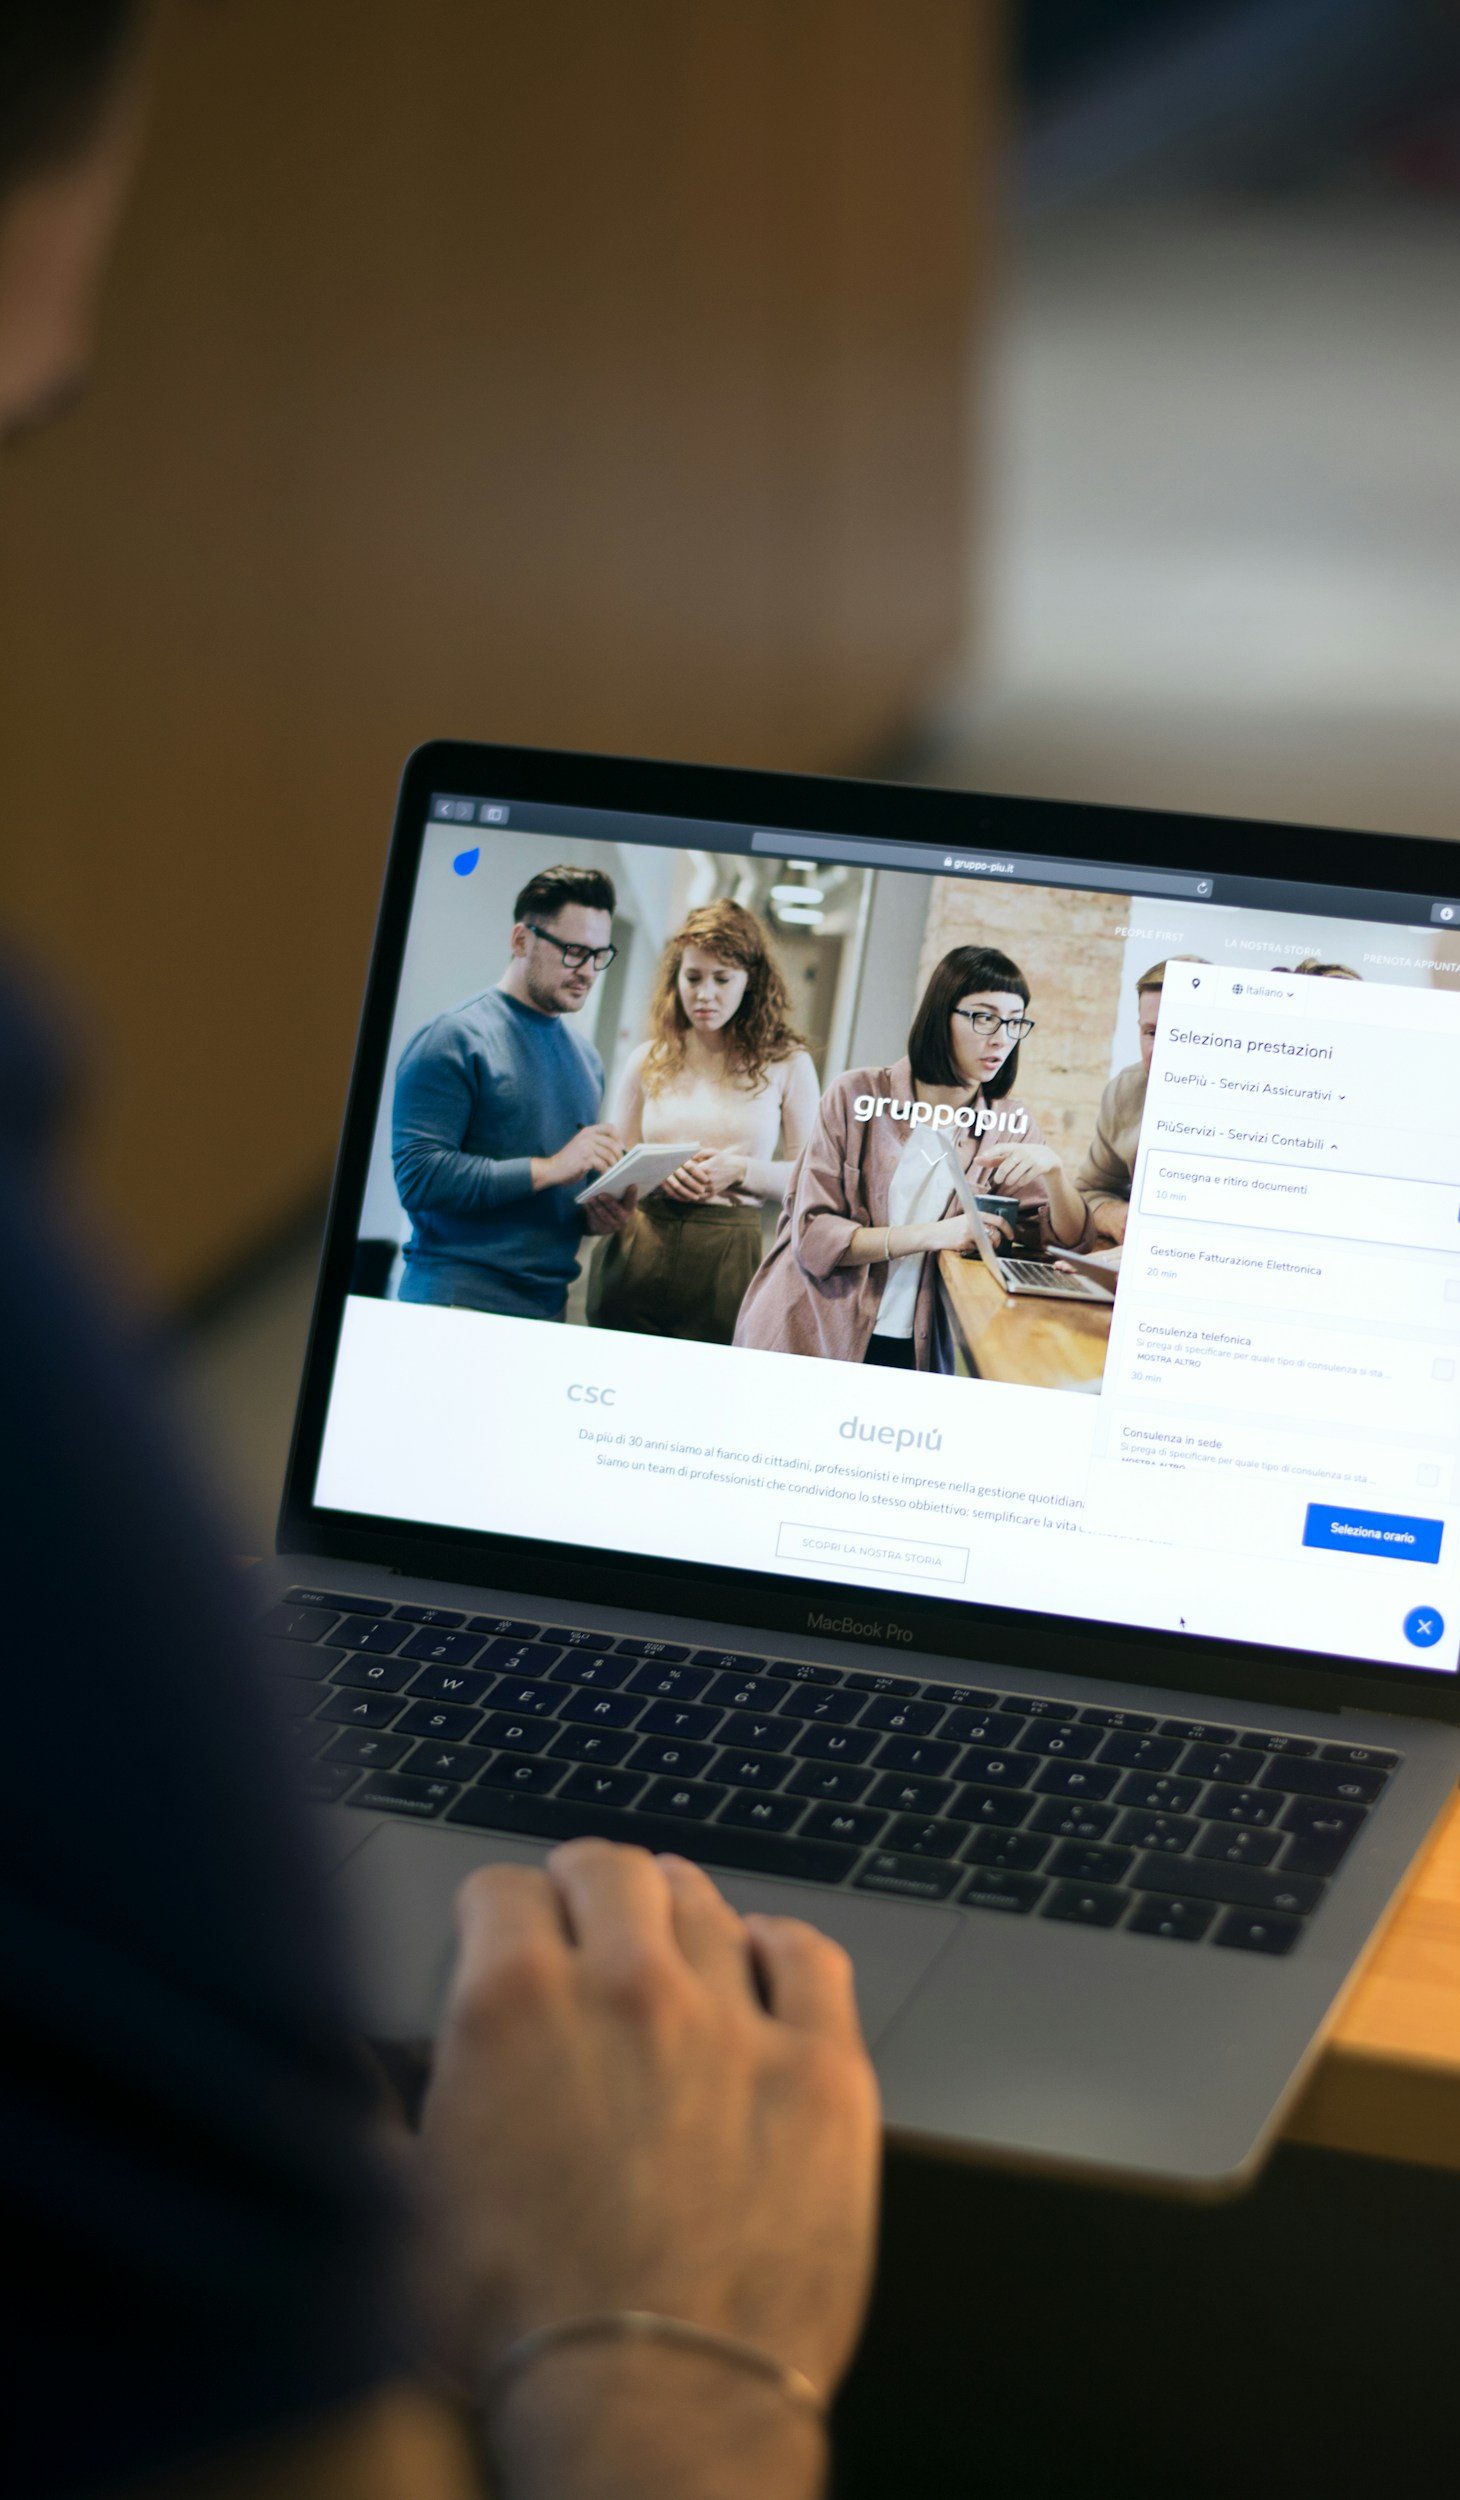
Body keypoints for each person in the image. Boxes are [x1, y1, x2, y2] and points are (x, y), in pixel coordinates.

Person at [0, 13, 881, 2500]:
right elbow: (444, 1209)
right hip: (539, 1312)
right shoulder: (454, 1090)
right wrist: (669, 2361)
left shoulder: (687, 1063)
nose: (647, 976)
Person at [734, 943, 1094, 1370]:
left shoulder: (1008, 1121)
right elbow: (813, 1237)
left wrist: (1054, 1174)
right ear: (941, 1015)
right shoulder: (856, 1095)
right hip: (807, 1333)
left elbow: (1066, 1243)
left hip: (914, 1347)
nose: (1001, 1038)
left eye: (1015, 1023)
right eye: (984, 1017)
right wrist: (934, 1234)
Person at [392, 865, 636, 1318]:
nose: (587, 971)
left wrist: (594, 1216)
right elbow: (419, 1178)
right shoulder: (454, 1037)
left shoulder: (586, 1061)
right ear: (521, 940)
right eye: (574, 951)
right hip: (455, 1303)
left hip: (547, 1307)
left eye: (599, 955)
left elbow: (554, 1193)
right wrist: (554, 1167)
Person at [588, 900, 820, 1343]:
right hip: (641, 1239)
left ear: (751, 981)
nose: (704, 994)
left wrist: (741, 1171)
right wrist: (652, 1172)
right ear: (676, 979)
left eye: (722, 979)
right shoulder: (649, 1059)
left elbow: (813, 1178)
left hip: (728, 1251)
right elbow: (613, 1164)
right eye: (692, 978)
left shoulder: (787, 1063)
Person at [1077, 954, 1206, 1246]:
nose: (1163, 1049)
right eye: (1152, 1032)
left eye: (1181, 1032)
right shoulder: (1125, 1090)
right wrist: (1115, 1216)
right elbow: (1088, 1191)